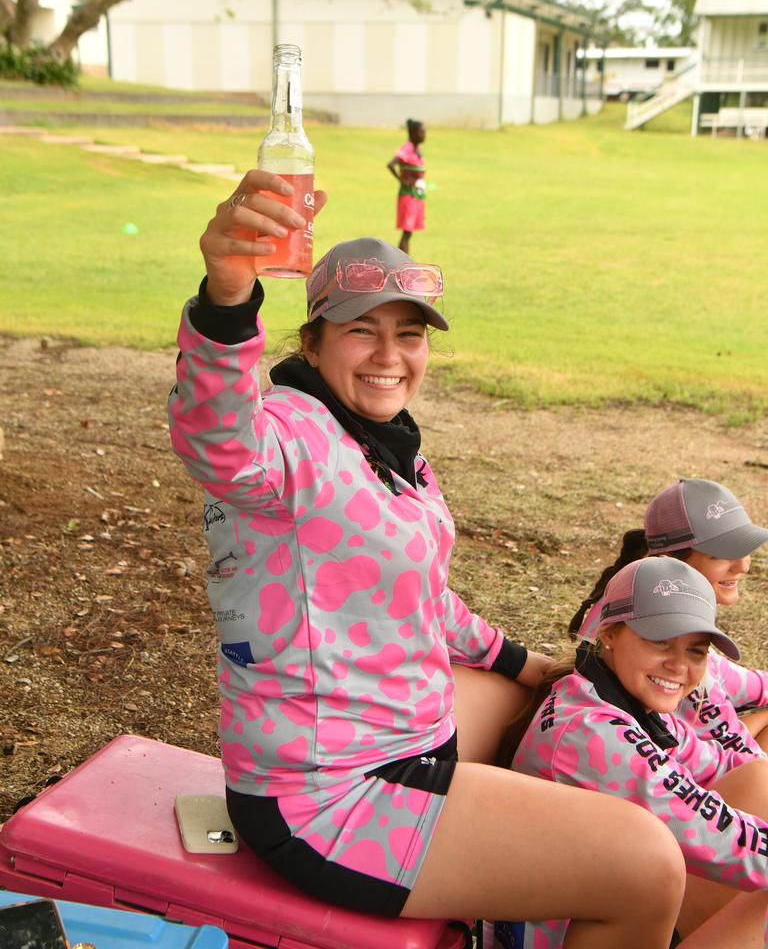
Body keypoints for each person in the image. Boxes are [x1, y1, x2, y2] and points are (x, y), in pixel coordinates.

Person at [168, 170, 687, 949]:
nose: (389, 355)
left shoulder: (384, 443)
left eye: (407, 334)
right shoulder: (290, 436)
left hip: (391, 735)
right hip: (328, 796)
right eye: (360, 330)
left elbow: (415, 594)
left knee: (527, 706)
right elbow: (218, 434)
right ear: (309, 341)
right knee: (649, 866)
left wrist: (520, 662)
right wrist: (226, 295)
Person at [500, 556, 768, 949]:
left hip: (618, 907)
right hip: (571, 933)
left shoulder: (620, 700)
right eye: (659, 640)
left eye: (695, 651)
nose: (678, 665)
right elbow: (716, 835)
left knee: (757, 779)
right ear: (609, 632)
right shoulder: (593, 732)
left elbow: (723, 765)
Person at [570, 479, 768, 754]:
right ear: (669, 558)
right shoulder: (660, 648)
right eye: (722, 554)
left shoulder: (636, 599)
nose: (743, 566)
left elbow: (738, 681)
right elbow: (731, 753)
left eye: (744, 550)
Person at [387, 119, 426, 254]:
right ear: (414, 133)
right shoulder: (407, 148)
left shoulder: (416, 149)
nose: (424, 135)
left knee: (409, 233)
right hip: (408, 196)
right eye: (421, 132)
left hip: (416, 195)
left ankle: (403, 263)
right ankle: (402, 265)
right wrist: (402, 180)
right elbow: (391, 164)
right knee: (407, 232)